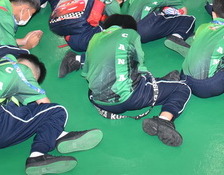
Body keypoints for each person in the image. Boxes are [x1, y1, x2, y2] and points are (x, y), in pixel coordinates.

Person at [0, 53, 103, 175]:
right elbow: (45, 103)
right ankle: (39, 153)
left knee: (32, 111)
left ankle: (59, 136)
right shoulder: (21, 70)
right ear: (33, 75)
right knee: (56, 111)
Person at [82, 14, 192, 147]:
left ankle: (162, 83)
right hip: (131, 98)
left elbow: (86, 73)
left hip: (100, 102)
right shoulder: (130, 34)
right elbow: (140, 67)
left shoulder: (94, 38)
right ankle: (164, 120)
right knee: (182, 88)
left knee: (125, 75)